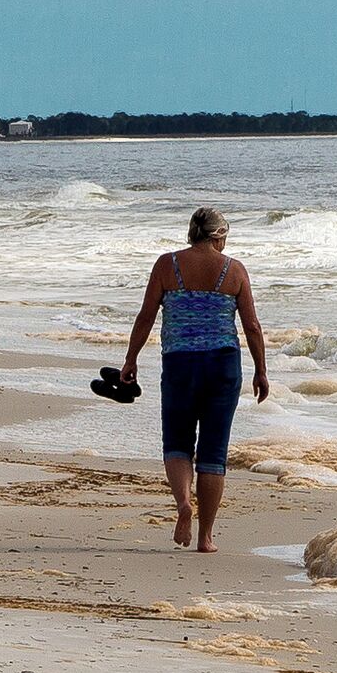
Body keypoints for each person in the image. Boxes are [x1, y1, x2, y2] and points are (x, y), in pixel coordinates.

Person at [120, 206, 272, 552]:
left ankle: (183, 505)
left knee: (177, 442)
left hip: (179, 363)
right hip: (222, 366)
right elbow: (251, 326)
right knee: (213, 451)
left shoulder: (166, 265)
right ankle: (205, 537)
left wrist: (131, 359)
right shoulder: (233, 270)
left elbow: (145, 316)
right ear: (219, 236)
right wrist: (261, 370)